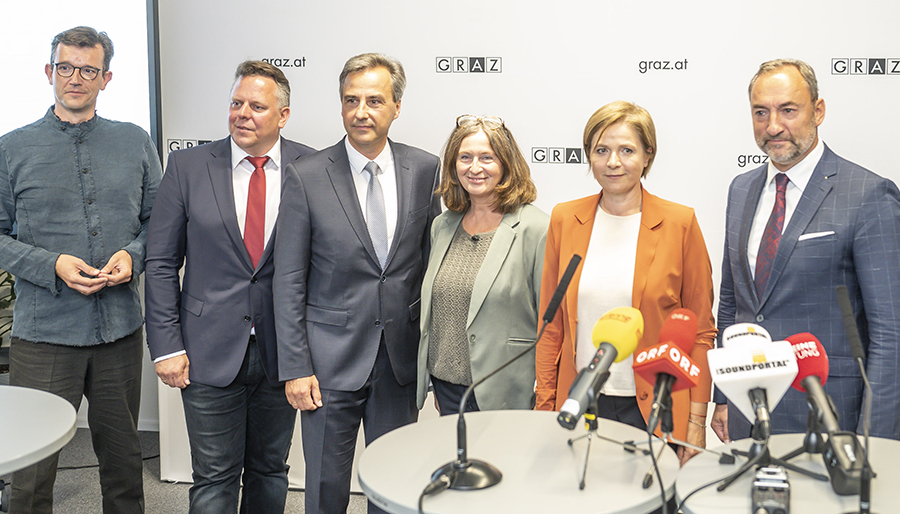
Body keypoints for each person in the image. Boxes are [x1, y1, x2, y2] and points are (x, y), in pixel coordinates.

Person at [0, 26, 161, 513]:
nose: (75, 78)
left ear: (105, 78)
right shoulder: (11, 148)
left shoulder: (134, 141)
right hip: (43, 336)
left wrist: (134, 256)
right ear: (50, 72)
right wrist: (52, 265)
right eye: (65, 67)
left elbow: (162, 222)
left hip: (119, 335)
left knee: (124, 466)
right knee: (30, 475)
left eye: (88, 69)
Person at [273, 53, 441, 514]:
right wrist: (296, 366)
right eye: (351, 100)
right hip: (326, 366)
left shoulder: (425, 170)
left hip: (398, 361)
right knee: (325, 490)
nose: (361, 112)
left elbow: (429, 264)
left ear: (397, 106)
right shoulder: (306, 174)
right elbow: (288, 280)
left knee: (395, 487)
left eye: (374, 100)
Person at [144, 61, 314, 513]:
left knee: (270, 471)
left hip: (285, 354)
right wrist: (165, 346)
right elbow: (160, 261)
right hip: (206, 349)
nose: (242, 113)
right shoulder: (187, 166)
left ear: (283, 115)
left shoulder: (312, 167)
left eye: (257, 106)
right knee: (215, 478)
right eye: (236, 103)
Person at [711, 59, 900, 442]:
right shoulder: (741, 189)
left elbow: (890, 332)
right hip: (750, 414)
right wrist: (724, 396)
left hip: (831, 417)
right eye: (761, 112)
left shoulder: (867, 195)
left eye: (788, 110)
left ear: (818, 110)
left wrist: (875, 438)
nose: (773, 126)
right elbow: (732, 303)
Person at [534, 101, 716, 465]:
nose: (612, 162)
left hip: (655, 407)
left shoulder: (680, 223)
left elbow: (701, 332)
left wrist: (696, 420)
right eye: (601, 150)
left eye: (626, 150)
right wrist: (545, 404)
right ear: (588, 156)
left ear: (648, 156)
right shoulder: (565, 219)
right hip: (581, 401)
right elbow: (550, 326)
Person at [417, 115, 548, 414]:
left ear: (506, 164)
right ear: (453, 165)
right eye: (465, 157)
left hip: (507, 392)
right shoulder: (443, 225)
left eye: (486, 158)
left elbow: (550, 323)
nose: (474, 168)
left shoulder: (536, 229)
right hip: (447, 390)